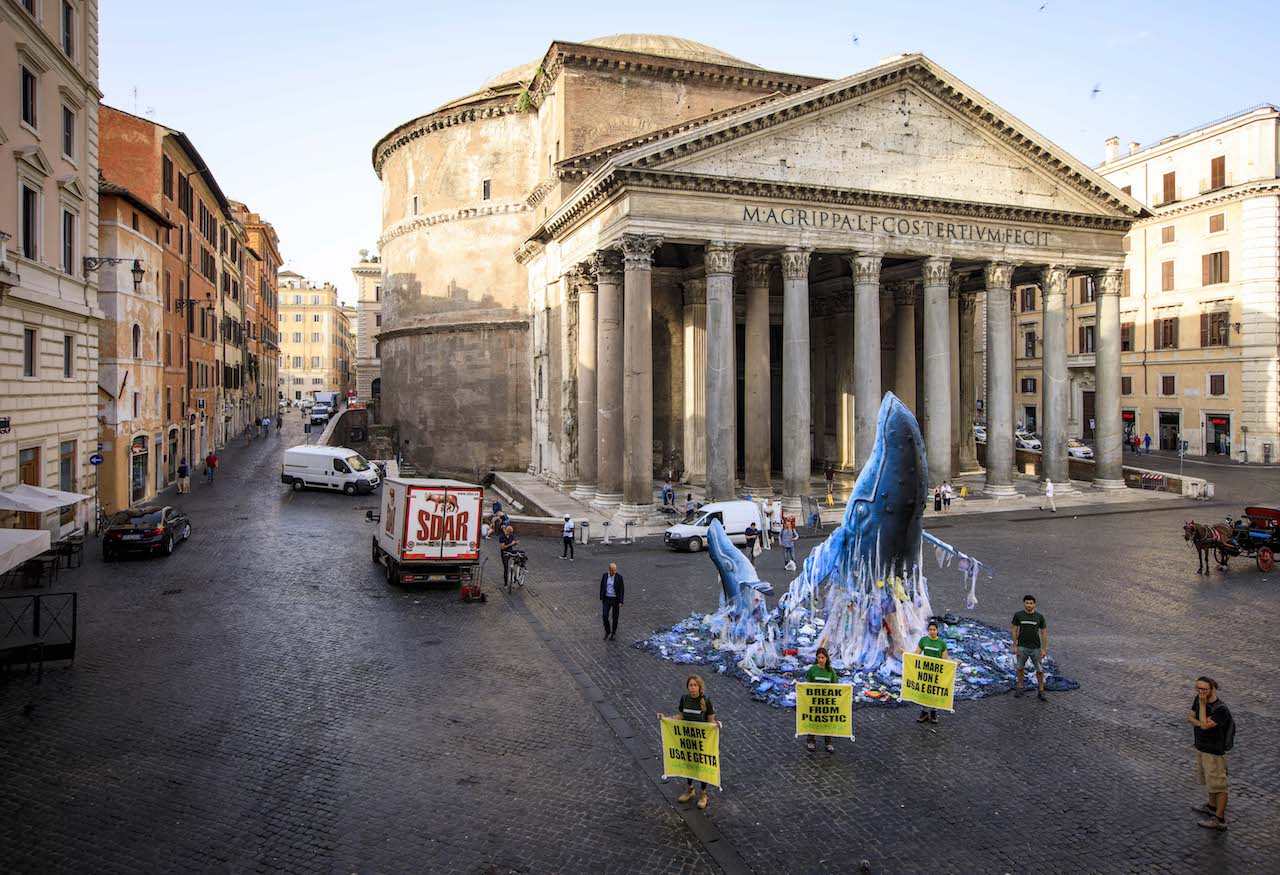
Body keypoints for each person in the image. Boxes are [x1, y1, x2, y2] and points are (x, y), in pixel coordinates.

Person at [657, 674, 719, 810]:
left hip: (701, 740)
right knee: (688, 763)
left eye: (695, 685)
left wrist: (716, 726)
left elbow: (710, 720)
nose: (692, 688)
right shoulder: (685, 699)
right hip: (687, 738)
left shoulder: (706, 701)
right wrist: (667, 719)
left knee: (702, 765)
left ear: (699, 687)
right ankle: (690, 789)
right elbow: (681, 715)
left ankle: (703, 794)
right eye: (690, 685)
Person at [1187, 676, 1234, 831]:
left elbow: (1206, 726)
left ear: (1213, 689)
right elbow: (1191, 718)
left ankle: (1219, 819)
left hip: (1214, 751)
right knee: (1209, 780)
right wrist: (1202, 722)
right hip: (1201, 747)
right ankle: (1211, 806)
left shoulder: (1221, 710)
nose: (1200, 692)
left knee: (1219, 785)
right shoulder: (1198, 698)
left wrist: (1202, 707)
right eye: (1198, 688)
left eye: (1203, 689)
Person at [1012, 595, 1048, 701]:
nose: (1029, 605)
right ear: (1024, 603)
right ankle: (1020, 687)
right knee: (1019, 668)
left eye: (1031, 603)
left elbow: (1043, 632)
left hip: (1035, 647)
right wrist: (1015, 646)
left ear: (1034, 604)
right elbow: (1014, 630)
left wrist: (1044, 649)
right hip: (1022, 646)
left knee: (1040, 670)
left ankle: (1041, 690)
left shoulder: (1039, 617)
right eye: (1027, 603)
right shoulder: (1018, 615)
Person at [803, 647, 839, 752]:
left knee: (827, 722)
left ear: (827, 658)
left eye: (822, 657)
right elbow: (807, 684)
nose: (820, 660)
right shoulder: (813, 669)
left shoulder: (831, 671)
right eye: (818, 657)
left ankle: (828, 742)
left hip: (826, 701)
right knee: (813, 720)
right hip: (815, 700)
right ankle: (811, 741)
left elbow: (835, 685)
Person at [915, 620, 949, 724]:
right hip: (926, 671)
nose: (932, 631)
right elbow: (916, 653)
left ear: (937, 630)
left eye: (934, 630)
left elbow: (945, 659)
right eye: (930, 630)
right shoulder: (923, 640)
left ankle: (934, 712)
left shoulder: (942, 643)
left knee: (934, 691)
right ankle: (924, 712)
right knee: (925, 691)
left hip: (936, 672)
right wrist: (905, 654)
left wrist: (955, 663)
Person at [599, 562, 624, 640]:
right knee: (605, 615)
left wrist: (621, 601)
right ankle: (607, 630)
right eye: (613, 570)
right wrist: (601, 597)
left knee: (615, 617)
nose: (614, 572)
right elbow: (602, 586)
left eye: (615, 570)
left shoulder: (619, 577)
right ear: (609, 570)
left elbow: (621, 589)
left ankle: (613, 632)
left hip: (615, 599)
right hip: (606, 598)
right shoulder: (605, 576)